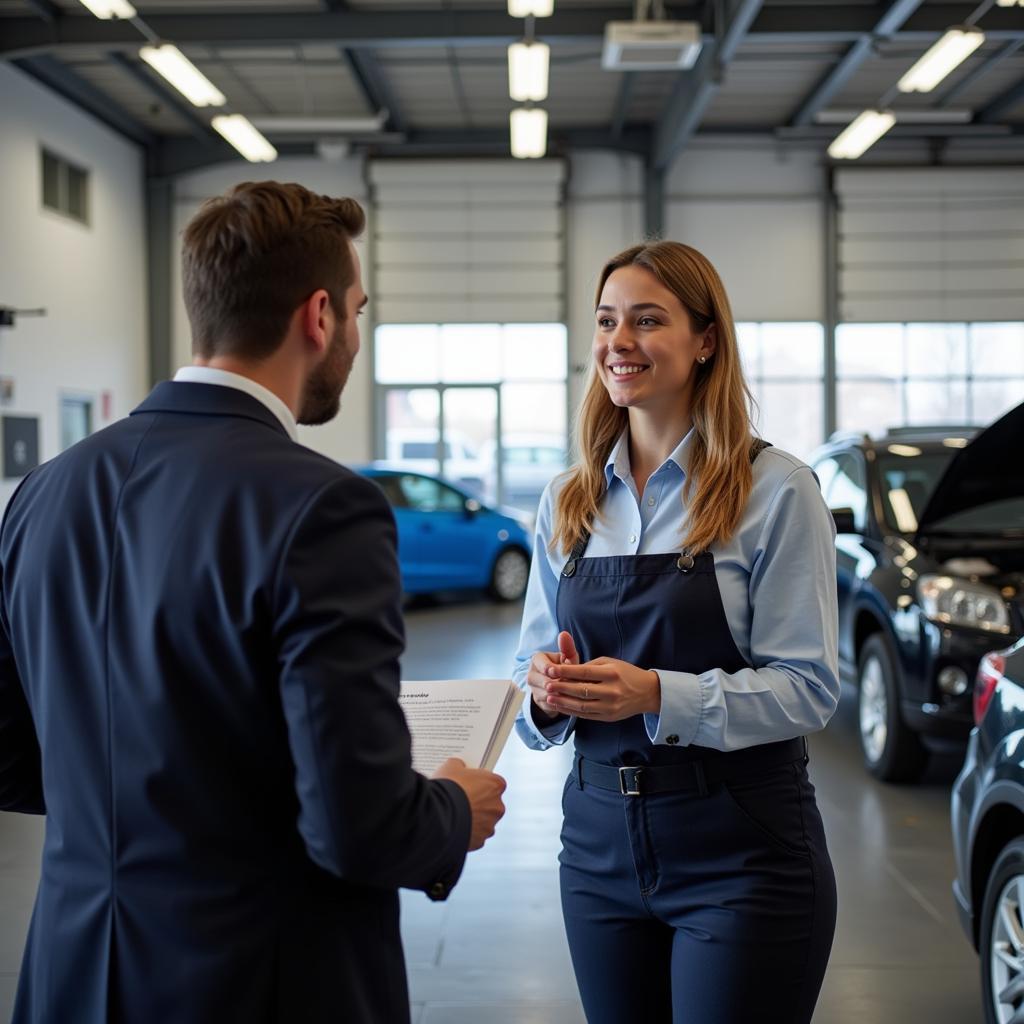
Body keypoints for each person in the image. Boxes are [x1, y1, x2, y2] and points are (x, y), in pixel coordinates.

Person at [0, 181, 506, 1024]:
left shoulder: (46, 491)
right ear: (318, 317)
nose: (353, 334)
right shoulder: (323, 507)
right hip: (258, 981)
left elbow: (12, 755)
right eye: (356, 311)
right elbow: (357, 827)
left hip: (72, 972)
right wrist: (453, 808)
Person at [513, 241, 839, 1024]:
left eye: (647, 320)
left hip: (741, 848)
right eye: (606, 321)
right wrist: (547, 695)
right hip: (595, 847)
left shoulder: (777, 491)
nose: (618, 342)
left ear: (705, 341)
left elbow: (810, 688)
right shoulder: (568, 500)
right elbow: (527, 660)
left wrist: (658, 694)